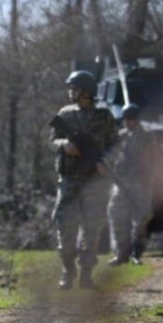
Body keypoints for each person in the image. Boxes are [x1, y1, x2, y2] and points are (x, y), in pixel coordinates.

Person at [49, 70, 119, 290]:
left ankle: (86, 275)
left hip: (95, 181)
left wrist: (105, 162)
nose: (71, 92)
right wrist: (64, 145)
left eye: (75, 88)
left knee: (92, 228)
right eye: (71, 88)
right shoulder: (65, 113)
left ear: (86, 92)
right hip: (69, 178)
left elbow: (115, 145)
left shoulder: (104, 116)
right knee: (65, 226)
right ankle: (67, 271)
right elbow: (52, 140)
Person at [107, 104, 157, 266]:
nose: (129, 122)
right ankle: (121, 253)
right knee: (117, 216)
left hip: (141, 182)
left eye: (132, 119)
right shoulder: (120, 136)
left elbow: (151, 157)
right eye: (126, 119)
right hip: (121, 182)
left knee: (141, 220)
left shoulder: (147, 136)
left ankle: (137, 252)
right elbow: (111, 155)